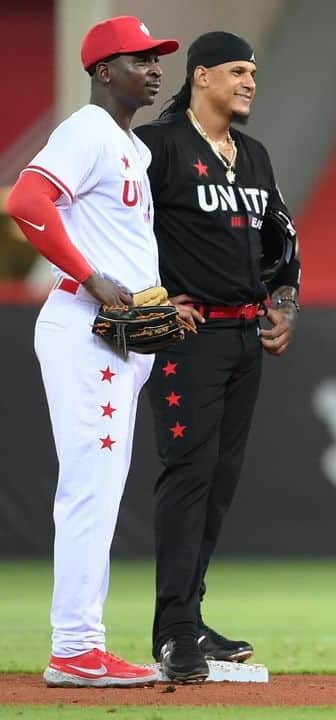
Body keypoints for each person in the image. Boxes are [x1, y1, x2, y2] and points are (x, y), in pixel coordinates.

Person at [5, 16, 186, 688]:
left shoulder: (129, 149)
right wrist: (89, 275)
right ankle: (76, 647)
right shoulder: (85, 131)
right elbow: (28, 200)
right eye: (140, 58)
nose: (155, 67)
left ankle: (81, 643)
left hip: (119, 335)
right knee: (90, 489)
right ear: (104, 72)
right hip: (86, 326)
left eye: (157, 57)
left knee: (100, 489)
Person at [134, 31, 300, 682]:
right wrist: (147, 305)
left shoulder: (252, 156)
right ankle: (173, 631)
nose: (250, 81)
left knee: (218, 486)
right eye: (237, 71)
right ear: (201, 77)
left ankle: (190, 617)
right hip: (185, 336)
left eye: (253, 72)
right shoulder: (157, 146)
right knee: (188, 478)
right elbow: (114, 226)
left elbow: (281, 237)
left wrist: (282, 303)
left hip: (241, 338)